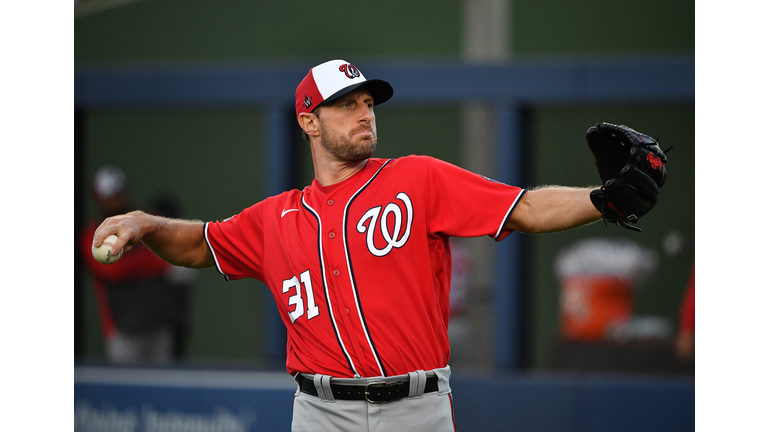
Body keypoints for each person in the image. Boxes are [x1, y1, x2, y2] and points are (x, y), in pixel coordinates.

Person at [90, 60, 628, 431]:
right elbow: (199, 245)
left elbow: (526, 208)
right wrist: (143, 222)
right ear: (309, 121)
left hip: (416, 406)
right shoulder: (276, 218)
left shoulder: (416, 180)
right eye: (346, 104)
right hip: (321, 412)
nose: (365, 112)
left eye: (368, 102)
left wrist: (604, 198)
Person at [80, 166, 190, 365]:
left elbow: (168, 258)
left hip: (158, 325)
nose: (116, 200)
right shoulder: (92, 234)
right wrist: (149, 259)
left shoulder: (144, 223)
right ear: (98, 199)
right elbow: (114, 269)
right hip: (121, 329)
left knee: (161, 388)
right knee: (125, 390)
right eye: (109, 196)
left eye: (119, 193)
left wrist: (138, 259)